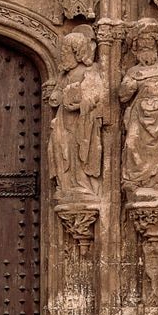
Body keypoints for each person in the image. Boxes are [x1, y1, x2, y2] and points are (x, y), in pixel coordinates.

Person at [119, 19, 158, 197]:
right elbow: (122, 95)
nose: (146, 53)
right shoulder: (133, 72)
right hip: (139, 117)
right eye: (142, 49)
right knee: (132, 143)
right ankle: (135, 181)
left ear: (157, 49)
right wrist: (130, 86)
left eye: (150, 48)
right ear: (136, 52)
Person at [48, 27, 105, 203]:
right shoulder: (65, 74)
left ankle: (81, 185)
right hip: (63, 121)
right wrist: (57, 96)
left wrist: (78, 103)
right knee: (59, 148)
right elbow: (55, 94)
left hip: (81, 122)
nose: (63, 56)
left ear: (77, 52)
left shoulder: (90, 71)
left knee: (76, 151)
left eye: (66, 52)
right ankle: (66, 184)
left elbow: (96, 96)